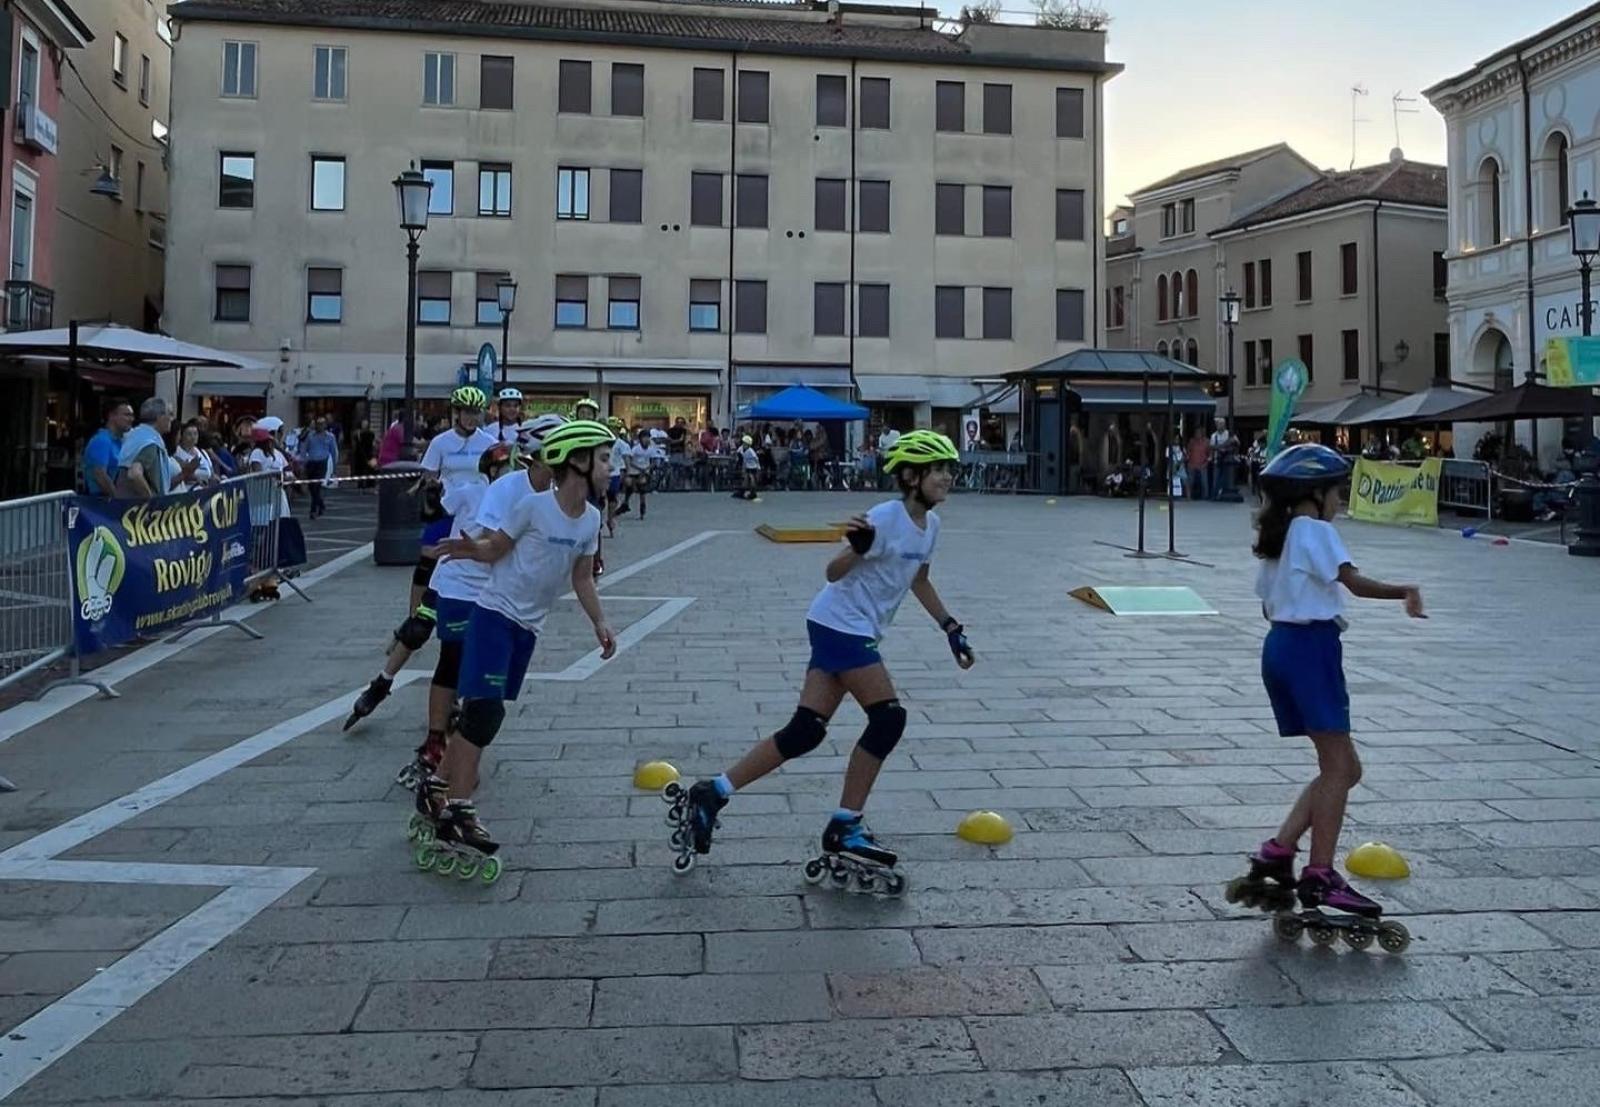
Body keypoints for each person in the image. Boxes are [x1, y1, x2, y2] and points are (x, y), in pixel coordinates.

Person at [666, 430, 974, 894]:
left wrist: (950, 627)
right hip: (840, 624)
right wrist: (858, 548)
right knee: (888, 718)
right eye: (939, 470)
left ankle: (712, 792)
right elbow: (833, 571)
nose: (948, 477)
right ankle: (845, 825)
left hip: (849, 627)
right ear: (912, 476)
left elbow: (919, 580)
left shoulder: (931, 526)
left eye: (950, 469)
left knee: (805, 731)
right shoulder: (885, 517)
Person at [1224, 444, 1422, 949]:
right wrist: (1404, 590)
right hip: (1310, 649)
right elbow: (1353, 583)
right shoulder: (1314, 530)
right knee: (1337, 768)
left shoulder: (1279, 539)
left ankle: (1277, 851)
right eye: (1337, 492)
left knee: (1346, 768)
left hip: (1281, 647)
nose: (1340, 502)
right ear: (1314, 494)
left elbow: (1268, 606)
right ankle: (1320, 874)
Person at [420, 419, 619, 879]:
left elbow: (582, 576)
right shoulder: (533, 506)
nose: (612, 468)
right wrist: (469, 549)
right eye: (605, 459)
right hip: (494, 616)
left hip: (527, 628)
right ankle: (459, 809)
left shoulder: (591, 519)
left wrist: (599, 621)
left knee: (483, 715)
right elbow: (496, 548)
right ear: (577, 461)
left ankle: (435, 786)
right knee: (484, 714)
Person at [349, 413, 570, 743]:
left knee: (465, 654)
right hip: (454, 578)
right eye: (496, 470)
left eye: (505, 469)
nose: (501, 474)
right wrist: (431, 496)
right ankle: (383, 682)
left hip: (487, 585)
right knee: (419, 630)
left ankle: (454, 711)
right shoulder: (473, 491)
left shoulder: (526, 494)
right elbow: (437, 520)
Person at [411, 387, 495, 615]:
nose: (471, 418)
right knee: (427, 559)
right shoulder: (441, 442)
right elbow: (429, 474)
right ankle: (414, 614)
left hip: (474, 510)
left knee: (472, 560)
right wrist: (430, 488)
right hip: (446, 507)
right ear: (457, 412)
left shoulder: (488, 442)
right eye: (466, 412)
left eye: (476, 412)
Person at [117, 398, 190, 499]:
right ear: (159, 417)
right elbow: (134, 474)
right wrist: (151, 501)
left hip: (125, 504)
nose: (171, 419)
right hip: (138, 506)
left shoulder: (136, 435)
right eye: (169, 414)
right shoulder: (149, 443)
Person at [82, 398, 133, 496]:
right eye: (127, 415)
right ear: (112, 416)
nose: (131, 419)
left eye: (131, 415)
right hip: (99, 500)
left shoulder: (120, 441)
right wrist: (117, 499)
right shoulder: (101, 440)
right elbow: (100, 475)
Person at [297, 416, 339, 519]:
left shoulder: (330, 437)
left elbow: (334, 452)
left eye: (322, 424)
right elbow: (303, 449)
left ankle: (313, 510)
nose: (319, 426)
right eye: (318, 424)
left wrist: (334, 467)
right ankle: (321, 504)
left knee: (317, 485)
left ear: (325, 425)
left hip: (322, 463)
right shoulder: (310, 436)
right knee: (311, 487)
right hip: (311, 462)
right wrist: (302, 463)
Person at [171, 422, 217, 493]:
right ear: (181, 436)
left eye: (195, 434)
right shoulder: (176, 453)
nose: (193, 437)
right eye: (189, 434)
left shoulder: (202, 452)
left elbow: (211, 473)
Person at [621, 427, 653, 517]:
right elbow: (630, 460)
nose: (646, 439)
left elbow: (653, 462)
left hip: (645, 471)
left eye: (648, 437)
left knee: (642, 486)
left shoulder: (651, 449)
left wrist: (647, 468)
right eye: (644, 437)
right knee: (629, 484)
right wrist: (637, 468)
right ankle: (626, 502)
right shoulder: (636, 449)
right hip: (634, 470)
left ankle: (642, 506)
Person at [1185, 428, 1211, 501]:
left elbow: (1210, 454)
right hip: (1192, 464)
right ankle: (1189, 496)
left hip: (1203, 464)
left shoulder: (1207, 442)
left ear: (1202, 433)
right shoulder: (1192, 441)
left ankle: (1205, 497)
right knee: (1190, 481)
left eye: (1199, 433)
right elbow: (1188, 452)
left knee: (1204, 481)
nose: (1197, 434)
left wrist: (1206, 463)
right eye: (1196, 433)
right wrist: (1188, 460)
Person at [738, 433, 760, 499]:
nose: (743, 445)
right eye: (743, 443)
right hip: (747, 467)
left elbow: (756, 459)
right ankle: (742, 492)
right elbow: (744, 460)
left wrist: (758, 467)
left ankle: (753, 493)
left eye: (745, 444)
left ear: (748, 445)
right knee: (746, 479)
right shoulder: (743, 449)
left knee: (752, 479)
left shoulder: (751, 451)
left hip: (753, 467)